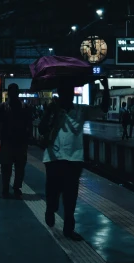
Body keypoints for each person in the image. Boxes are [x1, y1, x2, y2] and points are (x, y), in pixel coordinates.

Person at [39, 77, 109, 240]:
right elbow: (42, 129)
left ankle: (68, 229)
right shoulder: (53, 110)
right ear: (60, 94)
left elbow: (103, 108)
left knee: (71, 197)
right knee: (53, 193)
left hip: (74, 160)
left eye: (70, 93)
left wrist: (105, 88)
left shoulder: (80, 110)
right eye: (64, 93)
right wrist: (50, 112)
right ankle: (51, 208)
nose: (68, 96)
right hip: (53, 158)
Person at [0, 83, 31, 198]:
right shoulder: (23, 107)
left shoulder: (3, 107)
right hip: (16, 142)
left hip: (10, 141)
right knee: (17, 167)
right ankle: (14, 188)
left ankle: (8, 188)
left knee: (9, 167)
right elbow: (29, 124)